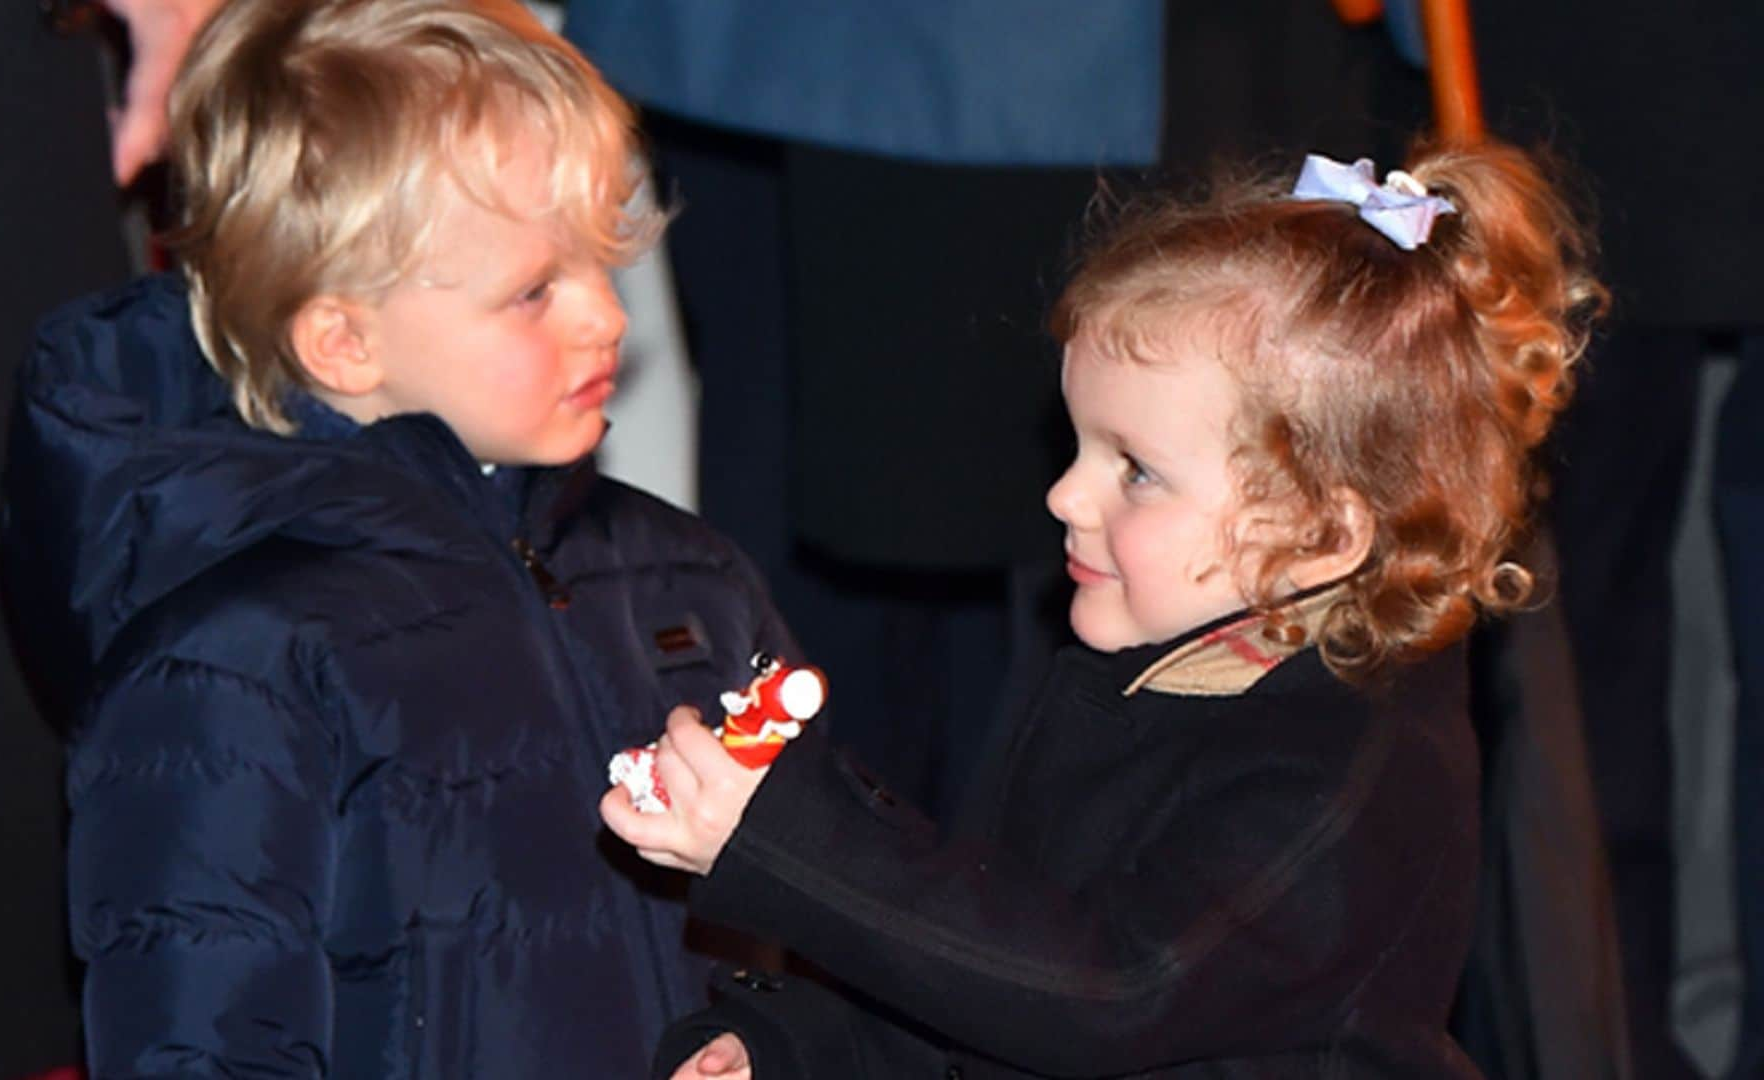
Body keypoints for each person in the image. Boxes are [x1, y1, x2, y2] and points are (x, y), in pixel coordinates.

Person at [602, 140, 1605, 1078]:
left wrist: (786, 839)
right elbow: (985, 966)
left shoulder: (1344, 768)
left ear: (1321, 535)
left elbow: (1108, 991)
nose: (1064, 497)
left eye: (1135, 470)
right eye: (1079, 446)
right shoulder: (1133, 676)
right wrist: (794, 1046)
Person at [0, 0, 799, 1074]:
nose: (607, 318)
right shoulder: (236, 659)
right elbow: (204, 1036)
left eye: (603, 264)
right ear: (343, 340)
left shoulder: (684, 581)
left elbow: (812, 930)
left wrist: (778, 1038)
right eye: (535, 290)